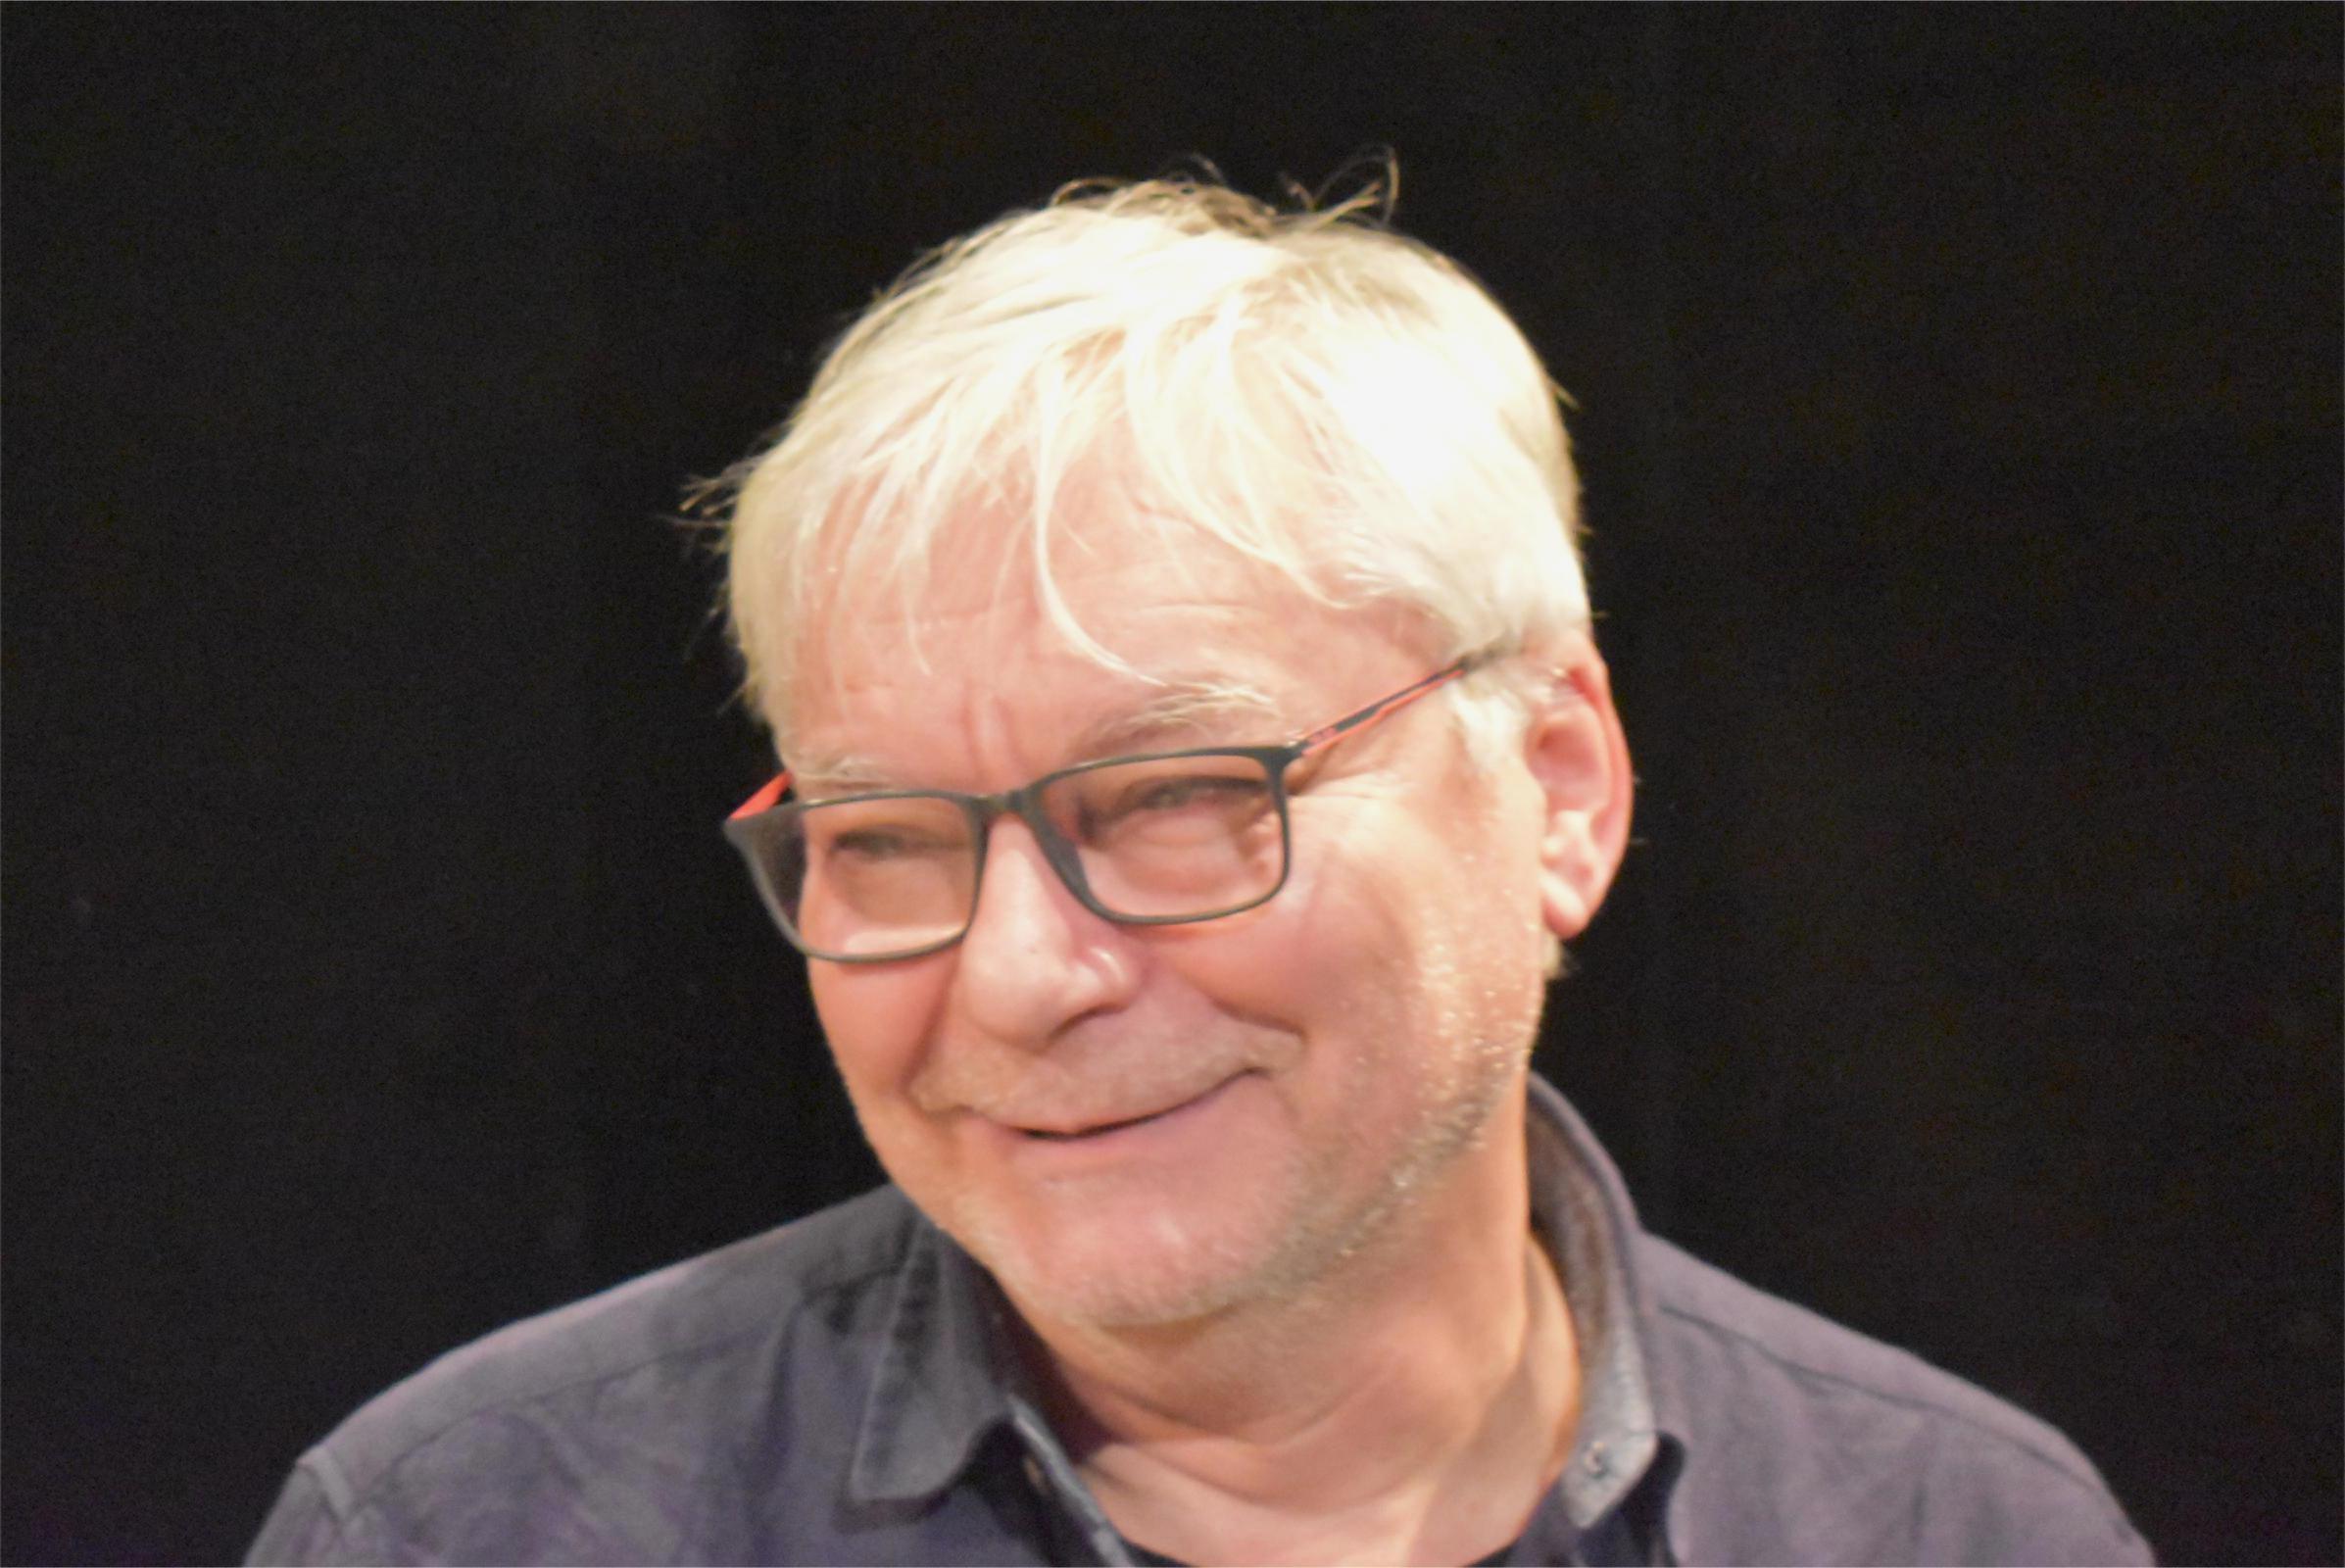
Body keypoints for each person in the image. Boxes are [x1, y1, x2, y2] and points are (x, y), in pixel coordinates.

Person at [249, 175, 2149, 1566]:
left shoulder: (1956, 1533)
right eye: (887, 835)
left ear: (1558, 784)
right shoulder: (475, 1525)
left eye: (1170, 796)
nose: (1016, 978)